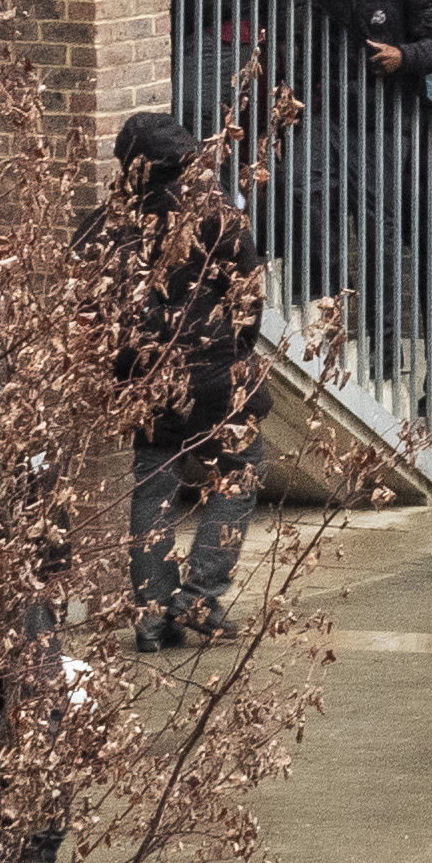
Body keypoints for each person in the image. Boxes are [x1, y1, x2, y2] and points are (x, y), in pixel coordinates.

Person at [105, 112, 253, 651]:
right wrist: (236, 356)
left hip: (145, 381)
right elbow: (248, 301)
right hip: (214, 370)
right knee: (239, 470)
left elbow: (87, 312)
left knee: (154, 484)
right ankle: (200, 593)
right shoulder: (216, 221)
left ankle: (150, 618)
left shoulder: (104, 227)